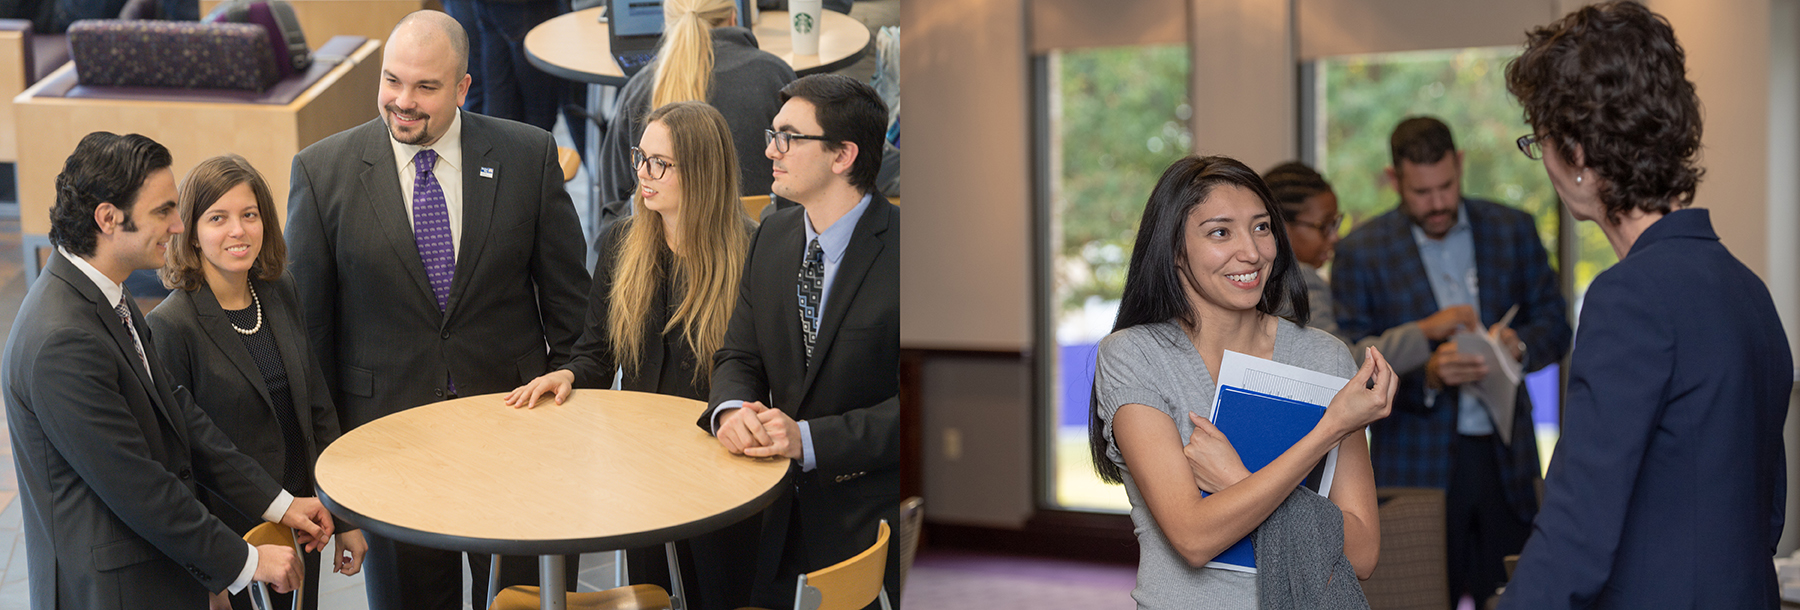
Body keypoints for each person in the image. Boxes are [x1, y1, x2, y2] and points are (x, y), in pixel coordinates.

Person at [284, 11, 589, 610]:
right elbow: (310, 343)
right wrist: (330, 476)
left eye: (425, 87)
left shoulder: (528, 157)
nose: (403, 101)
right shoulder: (322, 174)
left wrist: (575, 385)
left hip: (520, 440)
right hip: (390, 452)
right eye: (392, 81)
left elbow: (575, 317)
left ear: (462, 88)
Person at [1498, 2, 1791, 607]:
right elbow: (1768, 511)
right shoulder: (1748, 288)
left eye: (1540, 140)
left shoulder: (1630, 296)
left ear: (1577, 154)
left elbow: (1578, 529)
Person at [4, 131, 335, 610]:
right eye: (163, 211)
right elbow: (139, 486)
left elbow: (180, 414)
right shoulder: (62, 340)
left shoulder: (108, 297)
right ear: (107, 218)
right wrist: (246, 562)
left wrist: (281, 504)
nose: (179, 225)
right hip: (114, 592)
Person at [1088, 155, 1393, 609]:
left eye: (1262, 227)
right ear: (1174, 248)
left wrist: (1236, 479)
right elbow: (1194, 537)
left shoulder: (1323, 356)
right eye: (1220, 232)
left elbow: (1364, 552)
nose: (1251, 252)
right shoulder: (1135, 355)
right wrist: (1327, 430)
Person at [505, 100, 759, 610]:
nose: (642, 173)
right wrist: (569, 375)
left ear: (703, 172)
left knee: (718, 590)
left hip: (724, 467)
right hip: (645, 467)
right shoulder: (621, 244)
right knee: (656, 591)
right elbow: (595, 354)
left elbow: (761, 371)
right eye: (640, 156)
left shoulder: (753, 255)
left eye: (660, 163)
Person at [1331, 116, 1572, 606]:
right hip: (1414, 463)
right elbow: (1347, 361)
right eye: (1421, 192)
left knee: (1518, 598)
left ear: (1460, 165)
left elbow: (1556, 324)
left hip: (1508, 459)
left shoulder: (1512, 229)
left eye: (1446, 185)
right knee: (1413, 600)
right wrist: (1429, 377)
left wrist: (1518, 348)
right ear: (1395, 179)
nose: (1438, 203)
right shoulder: (1361, 252)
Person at [700, 73, 898, 609]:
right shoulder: (772, 232)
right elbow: (739, 353)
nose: (770, 149)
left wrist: (809, 440)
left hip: (865, 519)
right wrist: (732, 409)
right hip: (766, 510)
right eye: (773, 133)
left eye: (789, 136)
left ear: (842, 156)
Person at [148, 155, 368, 610]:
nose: (238, 231)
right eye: (218, 218)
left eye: (249, 215)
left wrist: (344, 516)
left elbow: (317, 409)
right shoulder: (171, 325)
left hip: (301, 524)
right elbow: (179, 462)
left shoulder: (279, 290)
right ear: (190, 232)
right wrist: (210, 575)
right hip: (235, 544)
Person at [594, 0, 795, 235]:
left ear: (668, 21)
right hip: (759, 249)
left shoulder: (637, 90)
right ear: (733, 15)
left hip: (659, 261)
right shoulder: (775, 76)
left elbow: (614, 208)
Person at [1262, 161, 1471, 372]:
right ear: (1281, 227)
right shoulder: (1300, 281)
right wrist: (1424, 331)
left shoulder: (1264, 279)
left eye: (1336, 223)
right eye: (1324, 226)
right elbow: (1342, 366)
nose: (1335, 237)